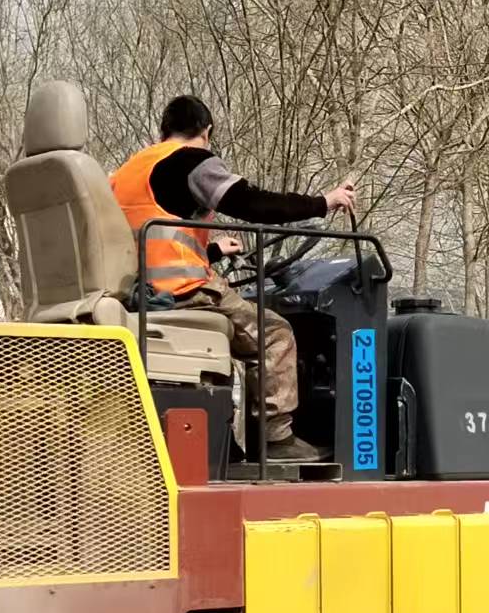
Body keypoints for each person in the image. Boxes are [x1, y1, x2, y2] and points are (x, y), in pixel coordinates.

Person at [110, 94, 356, 461]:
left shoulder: (126, 173)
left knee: (234, 341)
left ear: (163, 131)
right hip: (187, 292)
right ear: (206, 131)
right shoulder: (191, 160)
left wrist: (212, 251)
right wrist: (323, 202)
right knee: (275, 335)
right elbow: (251, 202)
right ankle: (276, 439)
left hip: (142, 293)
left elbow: (147, 241)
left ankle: (225, 445)